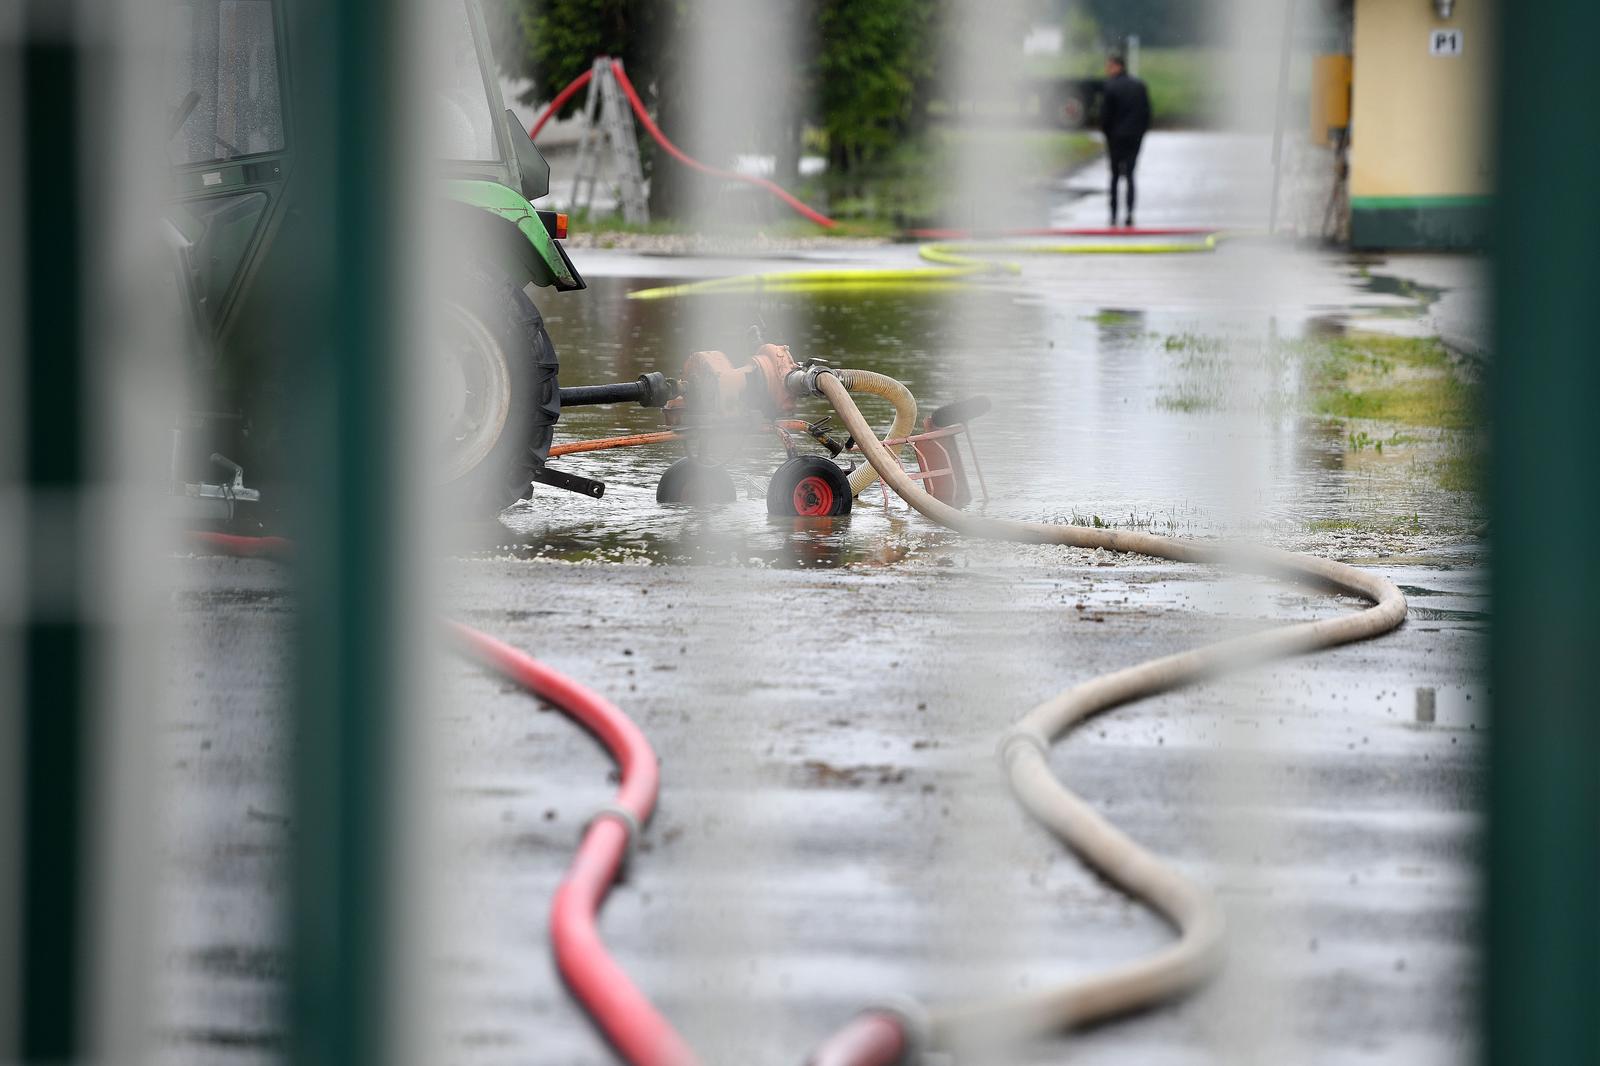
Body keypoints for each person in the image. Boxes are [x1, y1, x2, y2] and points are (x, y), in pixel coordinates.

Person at [1099, 54, 1151, 227]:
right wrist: (1140, 132)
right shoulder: (1139, 86)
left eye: (1108, 66)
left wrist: (1107, 134)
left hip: (1115, 137)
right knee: (1130, 175)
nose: (1107, 70)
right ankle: (1129, 214)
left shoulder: (1110, 87)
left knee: (1114, 176)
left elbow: (1105, 116)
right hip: (1134, 137)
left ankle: (1113, 215)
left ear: (1116, 66)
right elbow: (1146, 113)